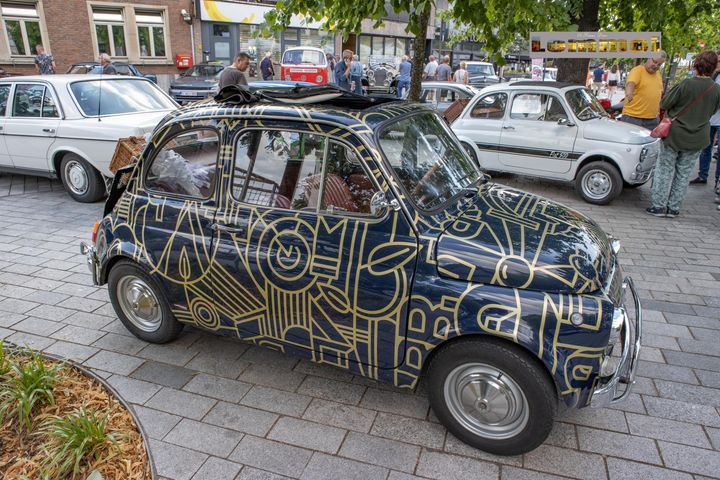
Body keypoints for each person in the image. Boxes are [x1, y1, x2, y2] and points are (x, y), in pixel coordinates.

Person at [645, 50, 720, 218]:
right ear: (713, 68)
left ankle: (658, 206)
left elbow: (665, 103)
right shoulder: (716, 90)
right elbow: (713, 111)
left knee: (665, 169)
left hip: (674, 134)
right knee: (684, 173)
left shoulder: (686, 84)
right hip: (698, 136)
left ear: (697, 65)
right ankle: (674, 208)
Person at [690, 51, 720, 187]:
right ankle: (702, 175)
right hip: (710, 118)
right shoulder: (713, 76)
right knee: (705, 148)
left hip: (718, 119)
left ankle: (718, 181)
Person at [621, 51, 667, 130]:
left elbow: (659, 92)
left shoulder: (658, 75)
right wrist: (629, 93)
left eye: (659, 64)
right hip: (633, 118)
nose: (656, 65)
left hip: (652, 119)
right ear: (649, 58)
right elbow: (631, 83)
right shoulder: (638, 70)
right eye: (655, 62)